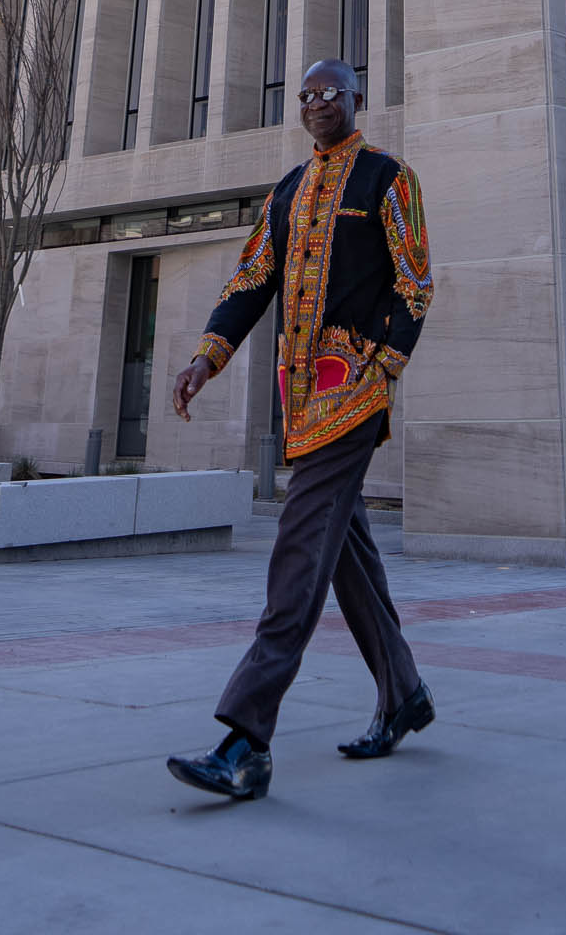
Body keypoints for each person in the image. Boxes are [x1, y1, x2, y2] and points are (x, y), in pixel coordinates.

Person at [165, 57, 435, 803]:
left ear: (357, 100)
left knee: (298, 552)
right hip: (298, 401)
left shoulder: (388, 178)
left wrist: (381, 367)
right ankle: (403, 693)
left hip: (351, 398)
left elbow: (415, 281)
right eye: (306, 95)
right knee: (344, 554)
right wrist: (205, 359)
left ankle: (246, 739)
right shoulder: (287, 190)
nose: (318, 104)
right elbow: (252, 279)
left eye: (331, 94)